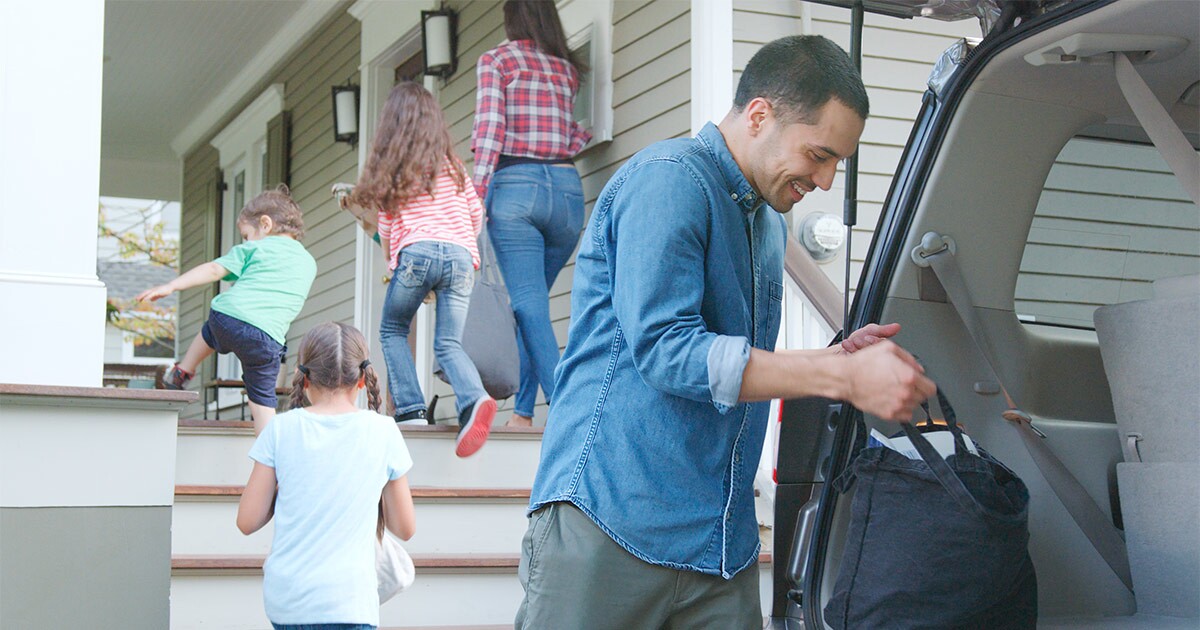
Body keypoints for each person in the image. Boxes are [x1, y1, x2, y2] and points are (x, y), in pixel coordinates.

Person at [515, 35, 938, 629]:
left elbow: (736, 363)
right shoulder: (668, 180)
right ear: (760, 115)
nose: (824, 180)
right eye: (818, 154)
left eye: (837, 162)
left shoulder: (765, 223)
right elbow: (670, 351)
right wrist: (838, 375)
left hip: (721, 549)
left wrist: (834, 356)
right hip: (610, 526)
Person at [348, 81, 496, 458]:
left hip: (417, 252)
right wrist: (457, 247)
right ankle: (474, 398)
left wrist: (392, 261)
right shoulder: (454, 168)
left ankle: (411, 411)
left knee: (393, 328)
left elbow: (385, 227)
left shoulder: (396, 167)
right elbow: (477, 217)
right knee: (448, 343)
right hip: (463, 257)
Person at [236, 321, 416, 630]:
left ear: (303, 378)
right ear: (362, 379)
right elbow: (404, 527)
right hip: (350, 602)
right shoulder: (383, 431)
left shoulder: (279, 429)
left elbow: (247, 521)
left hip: (287, 602)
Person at [472, 0, 590, 428]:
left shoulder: (497, 60)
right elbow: (575, 132)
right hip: (567, 192)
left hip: (515, 188)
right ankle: (522, 414)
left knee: (527, 306)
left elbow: (489, 132)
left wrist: (476, 196)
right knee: (532, 306)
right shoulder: (566, 70)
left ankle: (565, 412)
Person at [137, 186, 316, 436]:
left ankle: (183, 370)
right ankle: (271, 457)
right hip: (267, 340)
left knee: (210, 331)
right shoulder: (309, 262)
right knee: (263, 402)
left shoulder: (256, 248)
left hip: (229, 318)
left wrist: (172, 285)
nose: (245, 241)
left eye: (246, 234)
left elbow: (213, 270)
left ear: (265, 224)